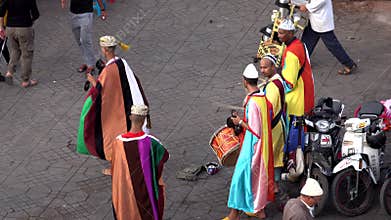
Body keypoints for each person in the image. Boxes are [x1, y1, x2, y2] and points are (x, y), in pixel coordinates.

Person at [76, 36, 151, 172]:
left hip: (115, 111)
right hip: (126, 106)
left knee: (111, 137)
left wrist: (92, 80)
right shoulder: (122, 62)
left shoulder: (108, 70)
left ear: (104, 50)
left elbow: (100, 90)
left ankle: (116, 168)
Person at [223, 63, 275, 220]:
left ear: (245, 81)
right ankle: (256, 210)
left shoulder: (252, 103)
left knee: (240, 178)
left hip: (253, 146)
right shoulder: (262, 98)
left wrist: (239, 122)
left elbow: (255, 129)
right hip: (262, 145)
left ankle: (236, 214)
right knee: (255, 179)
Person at [111, 104, 169, 220]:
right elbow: (165, 157)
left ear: (130, 117)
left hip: (124, 191)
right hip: (145, 193)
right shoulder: (152, 143)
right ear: (144, 120)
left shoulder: (117, 142)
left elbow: (115, 166)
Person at [277, 19, 314, 182]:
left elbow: (289, 83)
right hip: (306, 94)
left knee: (294, 139)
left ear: (291, 33)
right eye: (278, 32)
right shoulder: (300, 45)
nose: (279, 35)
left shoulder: (292, 53)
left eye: (282, 33)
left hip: (296, 102)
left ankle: (295, 169)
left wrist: (274, 85)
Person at [298, 0, 357, 75]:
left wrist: (307, 6)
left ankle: (349, 64)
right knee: (307, 40)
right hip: (315, 20)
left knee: (332, 45)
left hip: (322, 21)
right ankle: (302, 61)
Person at [258, 54, 285, 194]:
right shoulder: (275, 81)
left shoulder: (273, 87)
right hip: (277, 126)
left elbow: (269, 111)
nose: (262, 70)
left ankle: (274, 188)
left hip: (273, 128)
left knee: (272, 158)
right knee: (275, 157)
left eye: (265, 67)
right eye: (261, 67)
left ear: (273, 67)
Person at [0, 0, 39, 87]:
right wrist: (31, 21)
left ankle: (9, 72)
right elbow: (36, 14)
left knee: (15, 50)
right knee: (27, 54)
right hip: (24, 27)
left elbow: (1, 12)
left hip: (10, 28)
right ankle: (26, 80)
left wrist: (1, 27)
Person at [61, 0, 106, 74]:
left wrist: (102, 9)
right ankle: (87, 62)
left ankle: (91, 65)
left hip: (86, 13)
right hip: (73, 13)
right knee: (79, 41)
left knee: (85, 40)